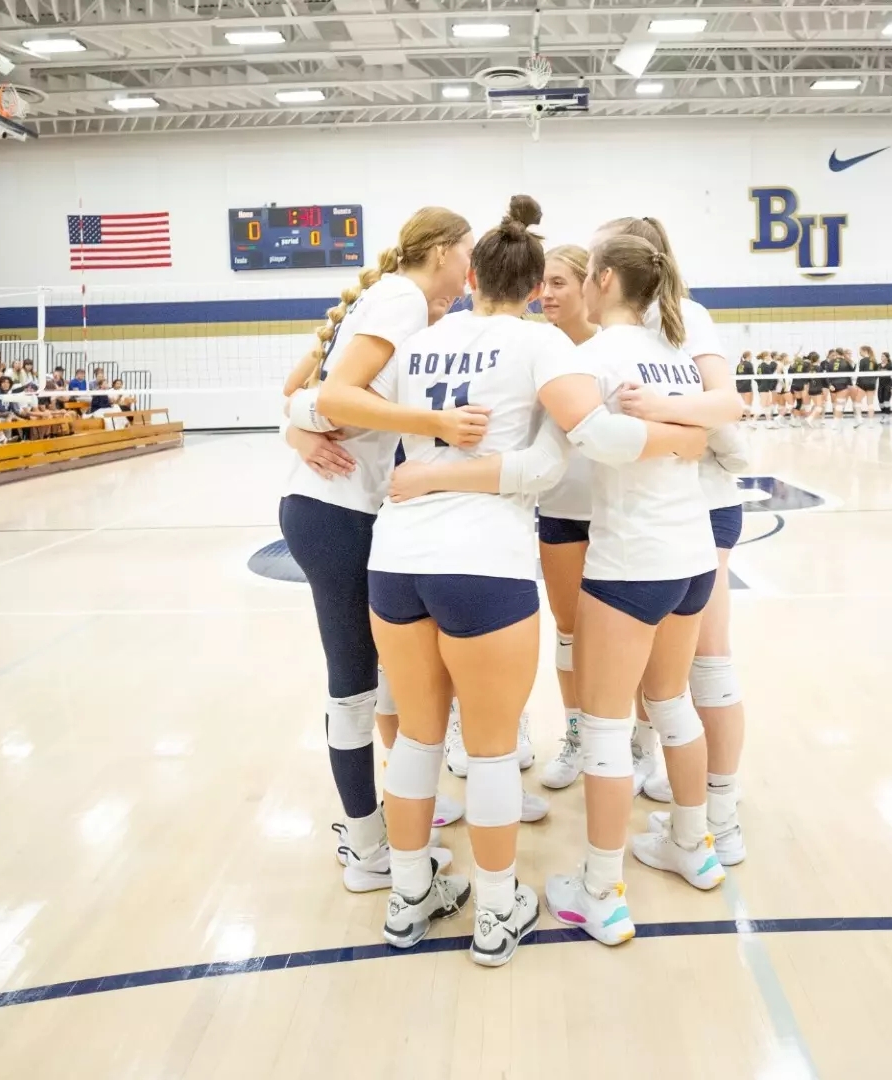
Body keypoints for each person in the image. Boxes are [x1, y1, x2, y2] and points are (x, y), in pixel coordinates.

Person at [319, 196, 692, 966]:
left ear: (471, 277)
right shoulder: (540, 343)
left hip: (398, 557)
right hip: (484, 561)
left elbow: (330, 404)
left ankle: (409, 897)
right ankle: (495, 911)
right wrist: (690, 429)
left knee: (417, 738)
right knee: (491, 753)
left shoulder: (419, 339)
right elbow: (559, 460)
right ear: (529, 288)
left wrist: (419, 470)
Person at [277, 206, 476, 892]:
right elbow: (335, 396)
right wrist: (432, 420)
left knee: (377, 677)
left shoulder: (391, 299)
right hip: (334, 512)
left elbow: (300, 394)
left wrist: (298, 425)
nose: (469, 268)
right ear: (442, 250)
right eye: (466, 252)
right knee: (354, 686)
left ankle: (389, 816)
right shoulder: (400, 298)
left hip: (339, 508)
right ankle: (365, 847)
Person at [595, 214, 751, 872]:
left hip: (703, 501)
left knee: (706, 662)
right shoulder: (613, 334)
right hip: (659, 506)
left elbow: (727, 406)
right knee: (657, 676)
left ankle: (721, 814)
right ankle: (661, 779)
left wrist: (660, 410)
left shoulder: (686, 316)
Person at [529, 242, 599, 790]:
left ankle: (636, 740)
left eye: (559, 283)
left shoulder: (613, 346)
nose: (547, 294)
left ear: (586, 284)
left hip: (617, 512)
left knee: (629, 636)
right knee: (570, 631)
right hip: (558, 509)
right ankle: (576, 736)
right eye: (542, 284)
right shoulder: (533, 347)